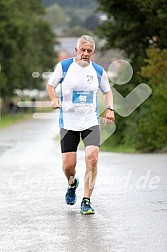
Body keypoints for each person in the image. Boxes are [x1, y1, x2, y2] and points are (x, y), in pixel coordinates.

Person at [46, 35, 115, 215]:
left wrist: (110, 109)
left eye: (89, 51)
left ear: (93, 52)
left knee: (92, 158)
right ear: (76, 50)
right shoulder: (64, 67)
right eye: (82, 50)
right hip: (68, 122)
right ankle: (72, 183)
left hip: (90, 121)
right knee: (68, 166)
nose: (85, 54)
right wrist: (54, 98)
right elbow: (50, 85)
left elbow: (107, 91)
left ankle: (86, 200)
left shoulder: (98, 71)